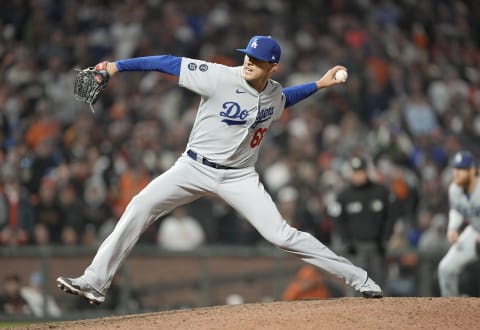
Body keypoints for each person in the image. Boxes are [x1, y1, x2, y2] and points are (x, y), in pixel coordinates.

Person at [57, 35, 383, 305]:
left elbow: (284, 98)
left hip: (239, 176)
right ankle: (94, 281)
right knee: (140, 205)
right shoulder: (219, 76)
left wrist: (319, 85)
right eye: (246, 57)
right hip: (193, 167)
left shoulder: (272, 92)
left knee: (281, 235)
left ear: (273, 66)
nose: (248, 63)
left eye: (256, 61)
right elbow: (167, 62)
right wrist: (115, 67)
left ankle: (361, 279)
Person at [331, 156, 393, 287]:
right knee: (356, 285)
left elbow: (391, 217)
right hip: (355, 248)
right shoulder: (344, 195)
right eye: (355, 172)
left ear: (366, 171)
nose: (358, 176)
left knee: (379, 283)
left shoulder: (380, 192)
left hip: (376, 246)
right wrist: (346, 241)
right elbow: (338, 220)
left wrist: (385, 238)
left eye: (361, 172)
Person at [438, 150, 480, 296]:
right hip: (475, 231)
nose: (456, 173)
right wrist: (453, 228)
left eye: (461, 169)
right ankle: (451, 308)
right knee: (446, 268)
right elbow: (457, 210)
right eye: (455, 168)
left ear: (473, 170)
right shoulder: (455, 189)